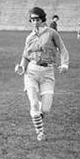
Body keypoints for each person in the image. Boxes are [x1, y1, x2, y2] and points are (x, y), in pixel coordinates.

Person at [14, 7, 69, 141]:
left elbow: (62, 49)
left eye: (37, 19)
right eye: (32, 20)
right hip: (31, 72)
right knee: (33, 103)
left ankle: (37, 112)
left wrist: (64, 64)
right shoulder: (30, 37)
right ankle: (40, 132)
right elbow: (26, 56)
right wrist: (21, 67)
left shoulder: (52, 33)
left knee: (45, 109)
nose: (35, 22)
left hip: (48, 72)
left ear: (43, 19)